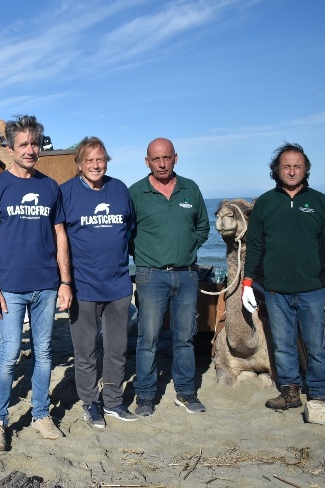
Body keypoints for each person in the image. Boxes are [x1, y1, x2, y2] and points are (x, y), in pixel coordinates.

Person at [0, 114, 72, 451]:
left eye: (35, 144)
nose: (30, 150)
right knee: (9, 354)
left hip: (46, 285)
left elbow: (60, 237)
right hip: (10, 288)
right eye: (23, 144)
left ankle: (42, 412)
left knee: (44, 353)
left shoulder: (49, 187)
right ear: (10, 149)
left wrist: (65, 281)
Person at [242, 142, 325, 410]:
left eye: (296, 166)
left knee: (317, 345)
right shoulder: (265, 203)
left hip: (313, 289)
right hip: (275, 291)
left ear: (305, 169)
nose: (291, 171)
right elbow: (254, 247)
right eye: (286, 166)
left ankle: (321, 394)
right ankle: (289, 392)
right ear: (277, 169)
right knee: (284, 346)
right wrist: (247, 283)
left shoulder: (320, 201)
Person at [128, 137, 210, 416]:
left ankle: (186, 392)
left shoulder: (191, 188)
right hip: (150, 276)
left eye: (166, 158)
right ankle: (146, 396)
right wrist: (145, 259)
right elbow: (127, 233)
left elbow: (202, 227)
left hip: (187, 276)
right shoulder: (135, 193)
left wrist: (186, 249)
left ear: (176, 157)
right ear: (147, 161)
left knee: (185, 337)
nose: (161, 164)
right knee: (147, 338)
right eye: (155, 159)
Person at [61, 136, 137, 428]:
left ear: (107, 161)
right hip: (83, 287)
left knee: (117, 348)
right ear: (79, 164)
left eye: (100, 159)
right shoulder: (66, 193)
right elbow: (58, 240)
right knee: (86, 351)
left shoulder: (118, 189)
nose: (95, 165)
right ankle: (91, 403)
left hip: (118, 285)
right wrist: (63, 282)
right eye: (89, 160)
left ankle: (115, 401)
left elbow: (129, 229)